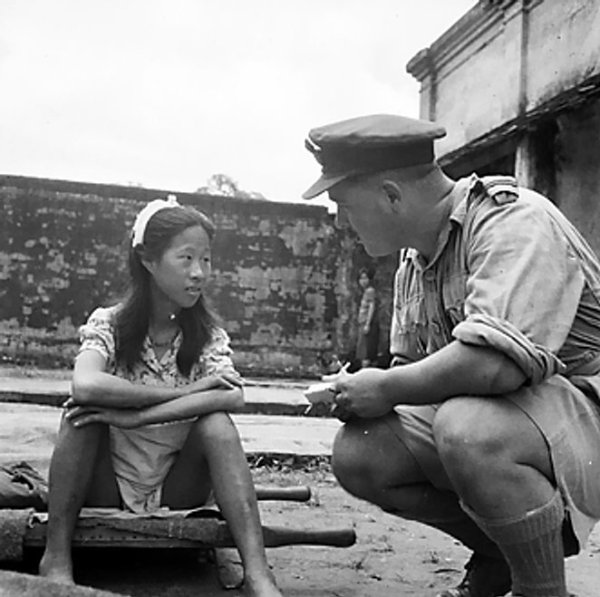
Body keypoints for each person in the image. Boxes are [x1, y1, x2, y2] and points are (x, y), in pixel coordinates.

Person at [302, 113, 600, 597]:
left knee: (468, 430)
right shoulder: (414, 260)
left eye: (345, 206)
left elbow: (496, 364)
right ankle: (501, 551)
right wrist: (362, 394)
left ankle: (541, 590)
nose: (344, 223)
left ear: (392, 195)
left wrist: (388, 387)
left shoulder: (514, 219)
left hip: (587, 408)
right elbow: (416, 376)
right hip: (529, 421)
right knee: (363, 450)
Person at [39, 195, 283, 597]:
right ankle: (57, 557)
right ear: (149, 261)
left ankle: (258, 573)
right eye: (186, 259)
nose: (200, 273)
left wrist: (135, 416)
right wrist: (186, 392)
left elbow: (231, 397)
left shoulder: (206, 334)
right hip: (109, 482)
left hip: (176, 484)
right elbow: (85, 385)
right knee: (80, 415)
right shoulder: (110, 324)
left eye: (206, 260)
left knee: (218, 426)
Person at [355, 267, 379, 369]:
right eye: (361, 279)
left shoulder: (370, 291)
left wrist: (367, 324)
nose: (363, 281)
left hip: (366, 323)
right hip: (362, 322)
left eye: (365, 278)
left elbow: (371, 307)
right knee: (363, 350)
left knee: (365, 351)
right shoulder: (365, 292)